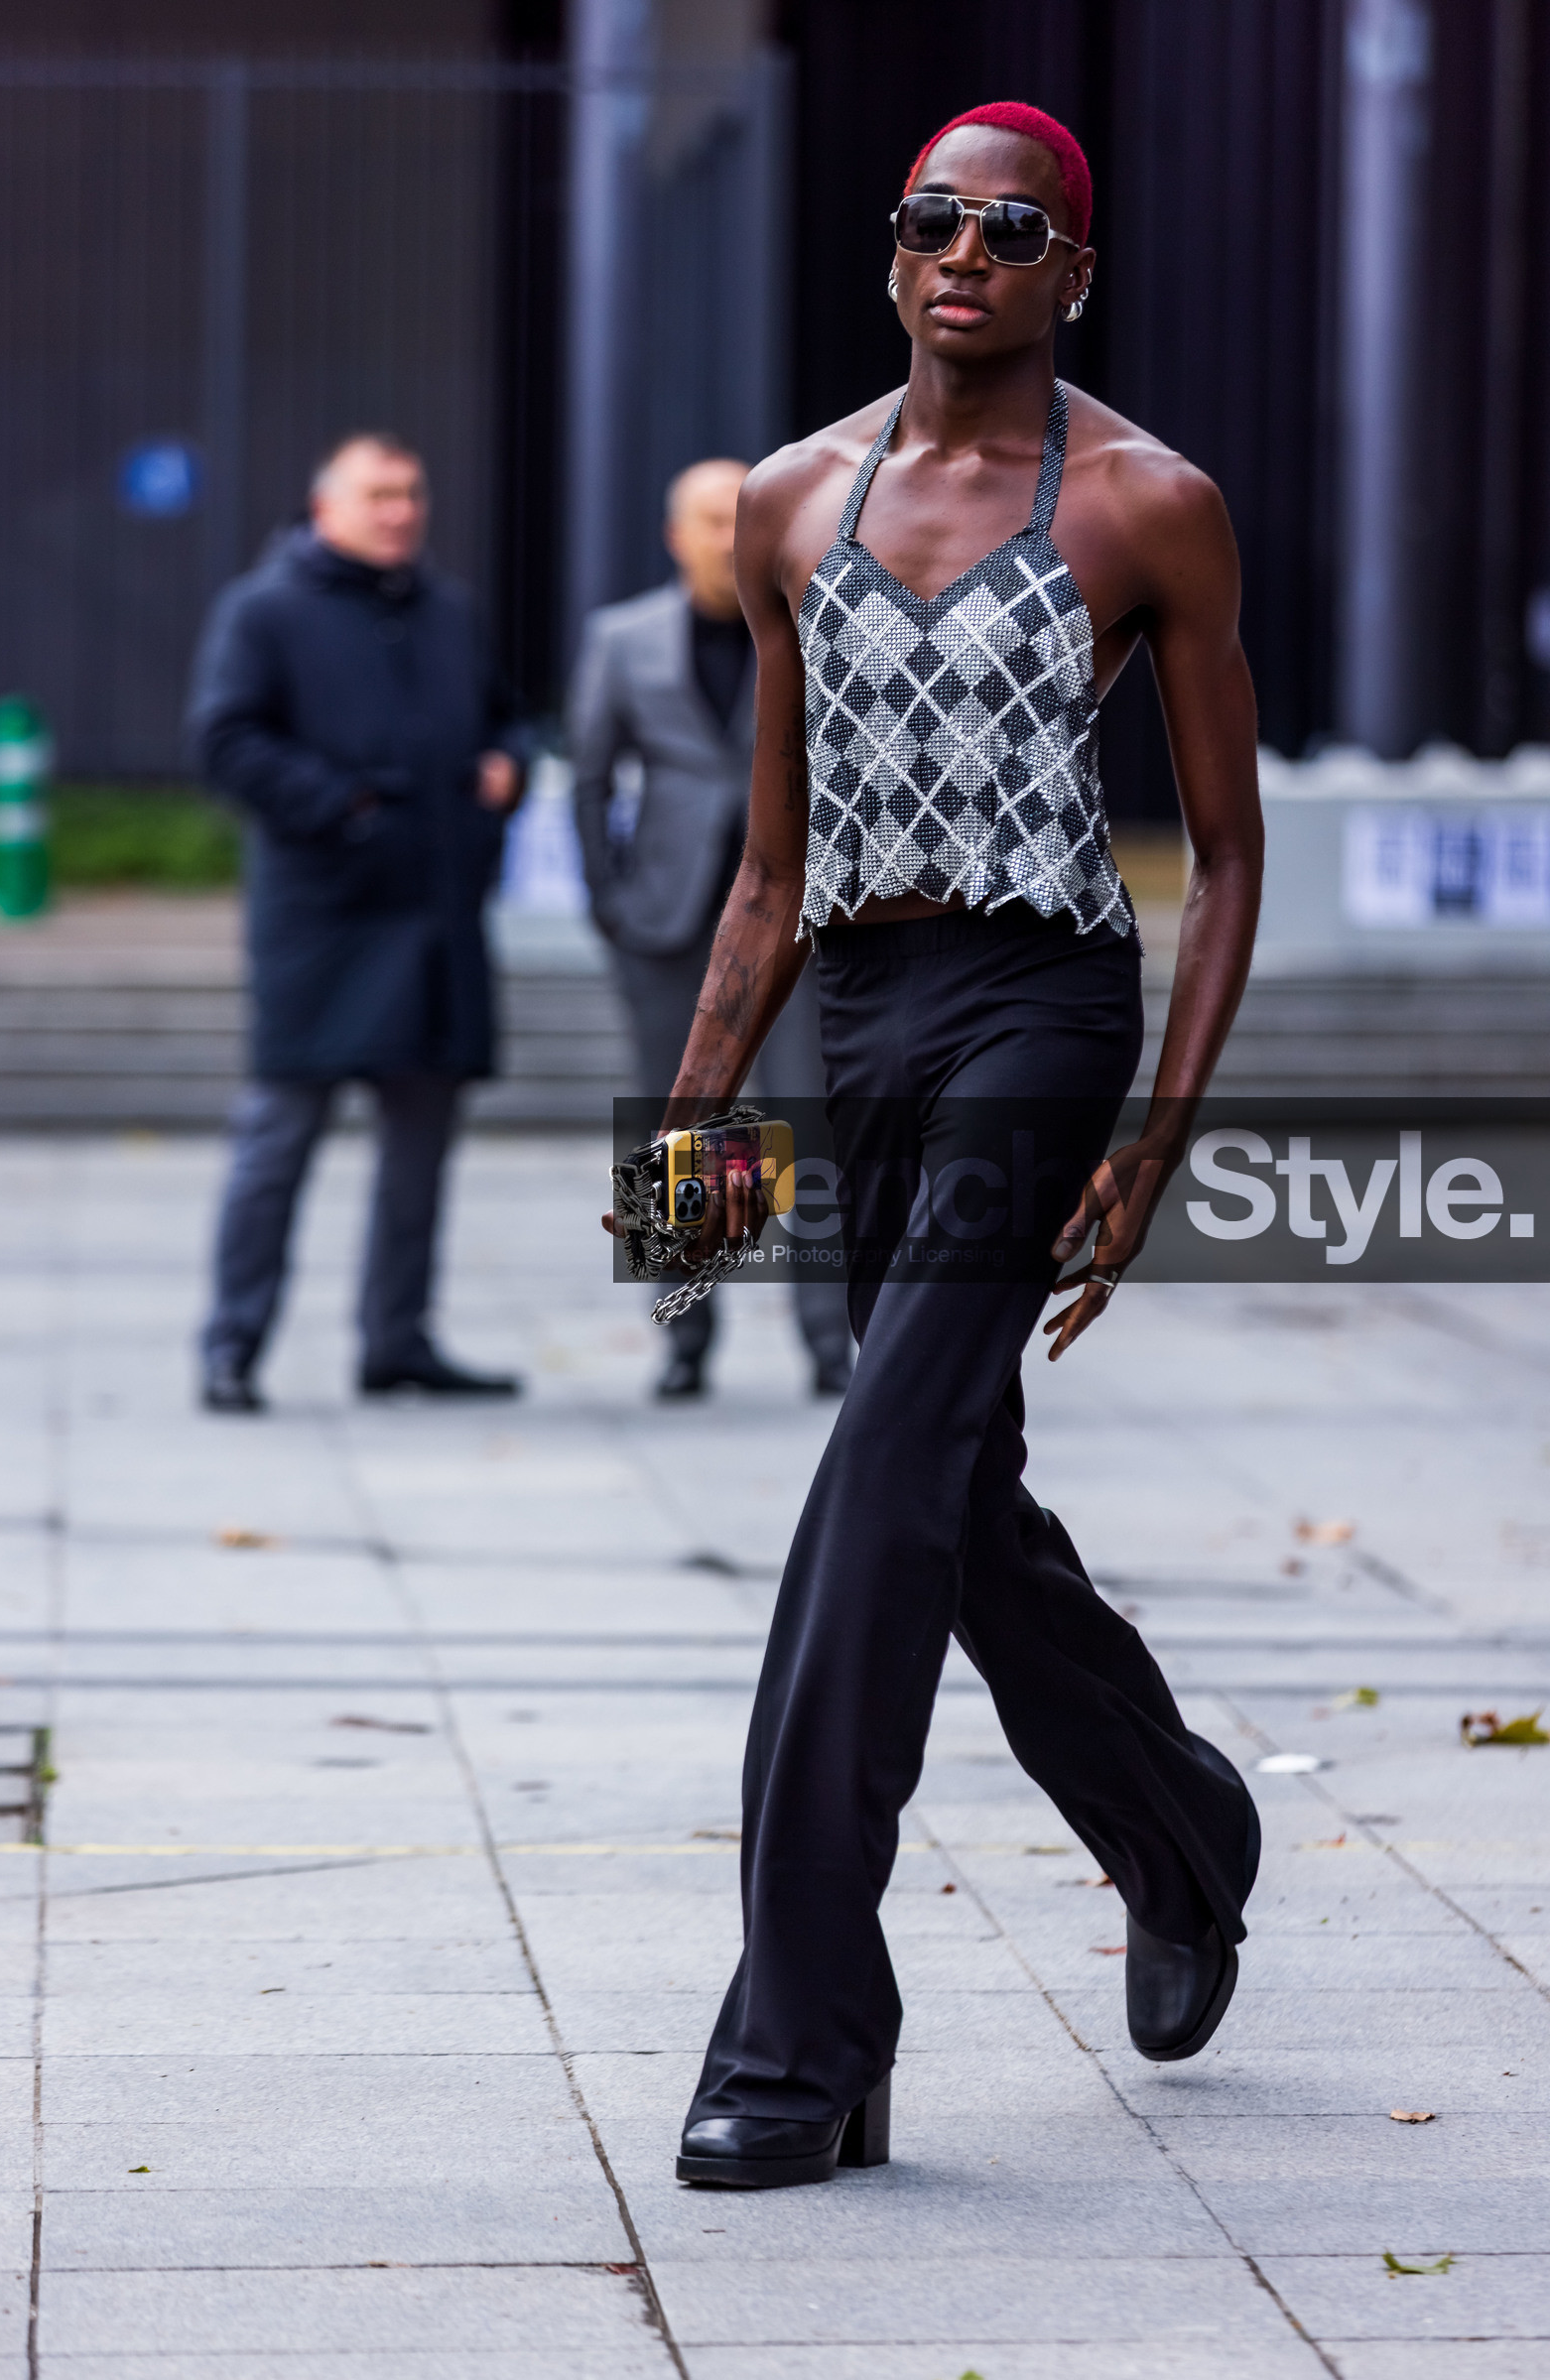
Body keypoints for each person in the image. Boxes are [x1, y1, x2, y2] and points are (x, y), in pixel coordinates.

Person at [604, 101, 1266, 2189]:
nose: (959, 251)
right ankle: (1180, 1825)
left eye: (1008, 225)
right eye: (926, 220)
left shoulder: (1147, 502)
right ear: (887, 257)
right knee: (954, 1498)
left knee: (877, 1471)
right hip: (861, 1022)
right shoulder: (791, 500)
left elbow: (1225, 852)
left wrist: (1151, 1144)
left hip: (1037, 1014)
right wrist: (684, 1157)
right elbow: (768, 865)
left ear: (1072, 264)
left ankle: (800, 2038)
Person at [190, 433, 531, 1413]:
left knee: (423, 1143)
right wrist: (345, 806)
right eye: (380, 494)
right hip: (323, 920)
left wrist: (503, 764)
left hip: (437, 918)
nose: (401, 511)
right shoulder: (264, 610)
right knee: (279, 1135)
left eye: (413, 492)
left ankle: (399, 1340)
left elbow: (503, 715)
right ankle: (232, 1343)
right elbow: (223, 738)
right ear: (323, 504)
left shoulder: (448, 608)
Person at [570, 459, 853, 1399]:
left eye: (743, 516)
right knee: (681, 1130)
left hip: (801, 920)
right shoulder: (621, 639)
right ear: (673, 534)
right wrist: (609, 900)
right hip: (669, 920)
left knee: (808, 1122)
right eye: (707, 518)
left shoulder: (820, 623)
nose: (728, 535)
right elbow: (588, 778)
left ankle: (829, 1342)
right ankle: (684, 1338)